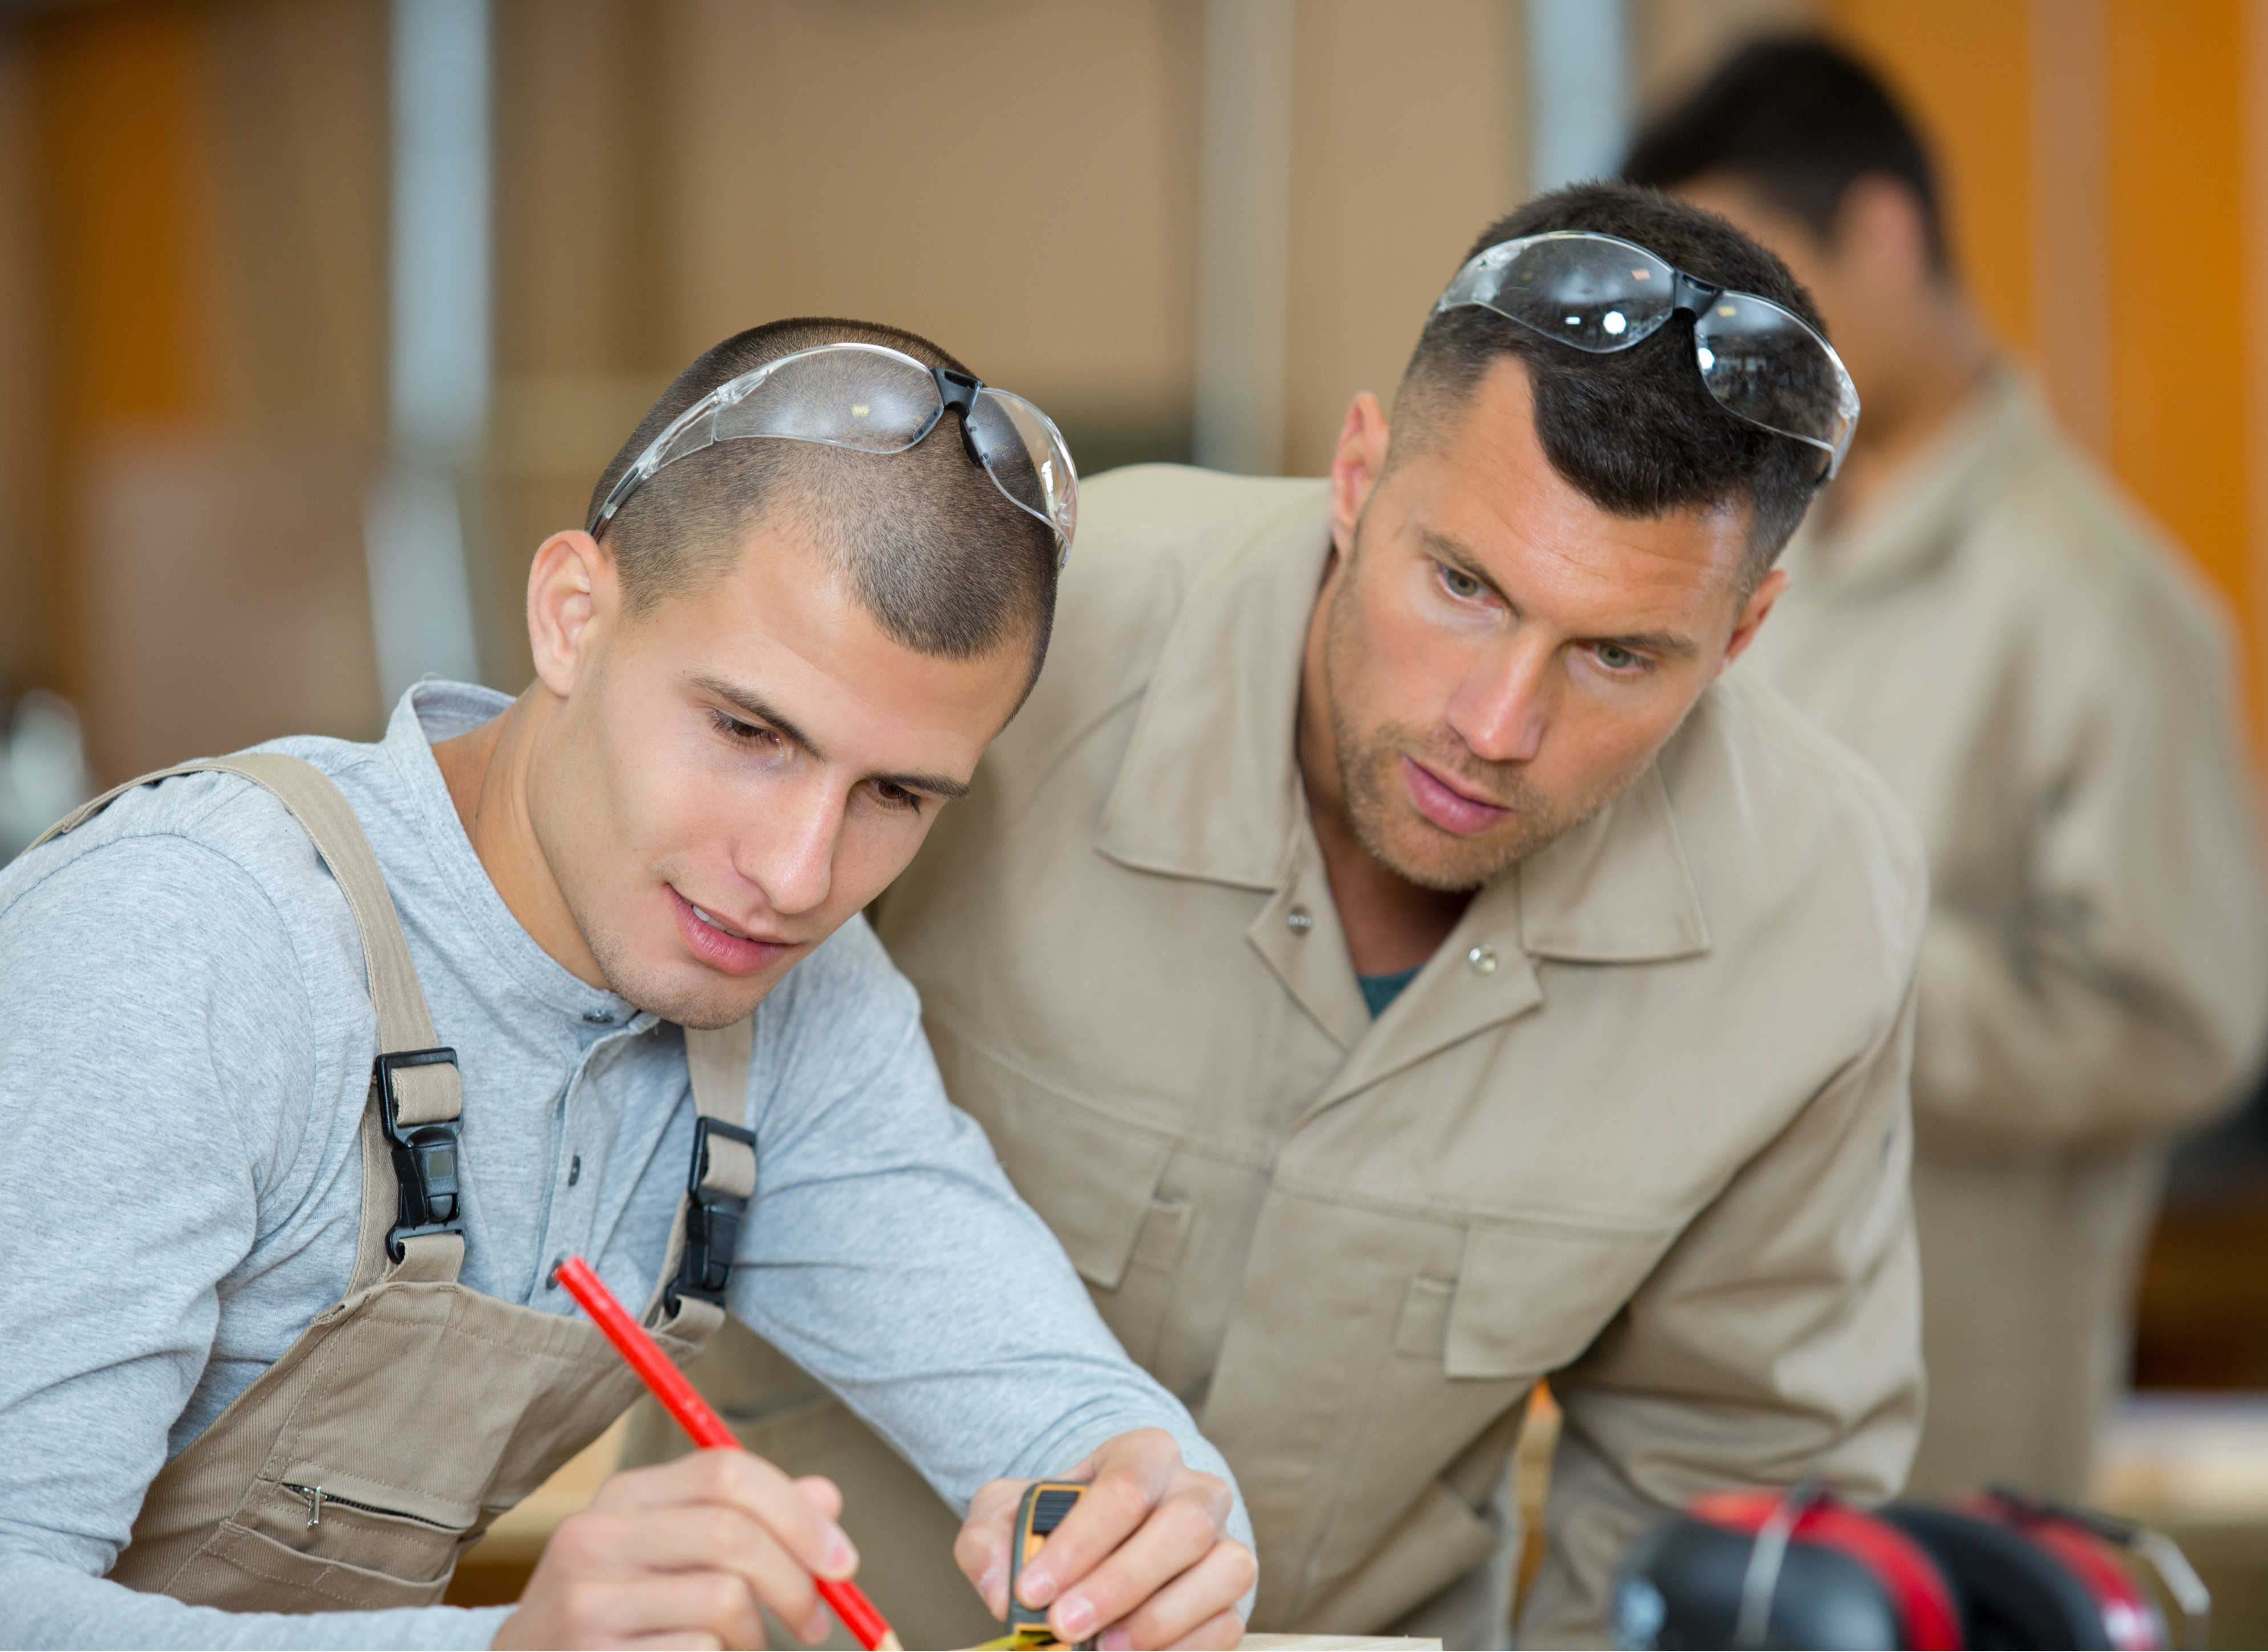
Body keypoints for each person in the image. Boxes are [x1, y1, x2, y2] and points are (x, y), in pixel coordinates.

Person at [651, 186, 1929, 1648]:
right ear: (1355, 470)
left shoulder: (1817, 910)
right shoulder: (1030, 633)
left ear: (1742, 632)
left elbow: (1719, 1472)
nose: (1496, 723)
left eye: (1620, 655)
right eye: (1459, 583)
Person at [0, 318, 1258, 1650]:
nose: (794, 873)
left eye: (895, 793)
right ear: (571, 616)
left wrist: (1155, 1520)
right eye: (748, 731)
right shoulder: (197, 928)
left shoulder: (792, 1001)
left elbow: (1066, 1413)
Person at [1625, 37, 2268, 1502]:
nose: (1733, 347)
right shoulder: (1762, 556)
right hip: (1702, 1394)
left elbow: (2185, 1027)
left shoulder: (2099, 602)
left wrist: (1819, 963)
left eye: (1763, 284)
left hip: (1942, 1430)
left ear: (1886, 233)